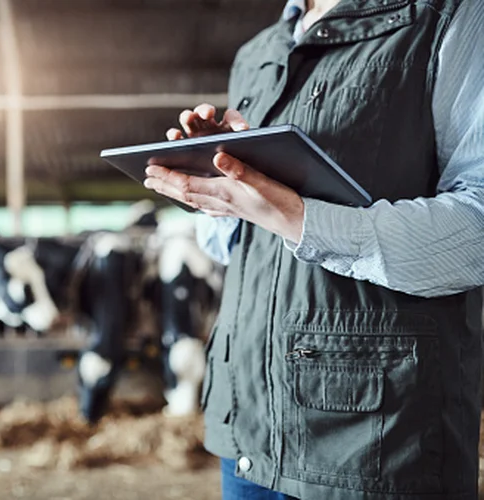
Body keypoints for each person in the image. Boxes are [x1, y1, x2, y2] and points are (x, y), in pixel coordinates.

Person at [142, 0, 484, 498]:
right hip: (246, 425)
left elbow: (477, 226)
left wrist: (300, 217)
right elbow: (233, 248)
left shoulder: (450, 17)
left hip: (375, 438)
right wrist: (220, 184)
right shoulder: (258, 52)